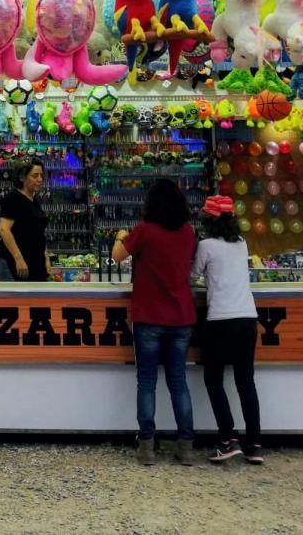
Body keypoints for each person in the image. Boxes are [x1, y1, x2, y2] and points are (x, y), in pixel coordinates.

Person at [112, 176, 197, 466]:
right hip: (182, 317)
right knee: (178, 382)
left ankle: (147, 444)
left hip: (148, 316)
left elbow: (117, 256)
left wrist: (119, 236)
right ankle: (186, 445)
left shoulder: (144, 231)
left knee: (146, 381)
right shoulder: (188, 233)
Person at [192, 195, 263, 465]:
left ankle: (227, 439)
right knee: (246, 382)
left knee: (214, 379)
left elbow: (192, 276)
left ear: (208, 220)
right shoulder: (241, 243)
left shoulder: (206, 245)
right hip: (247, 317)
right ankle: (254, 444)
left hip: (220, 319)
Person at [0, 158, 52, 283]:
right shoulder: (13, 198)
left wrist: (46, 259)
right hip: (16, 265)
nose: (40, 179)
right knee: (15, 302)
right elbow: (4, 230)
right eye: (35, 176)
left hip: (35, 264)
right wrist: (19, 259)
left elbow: (38, 234)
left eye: (41, 176)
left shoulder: (35, 200)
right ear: (22, 177)